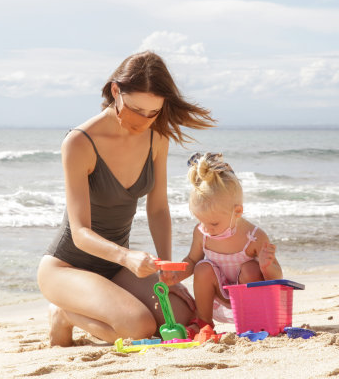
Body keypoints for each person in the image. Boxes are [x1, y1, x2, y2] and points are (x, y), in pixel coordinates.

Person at [37, 51, 215, 346]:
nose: (143, 120)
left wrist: (165, 270)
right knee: (139, 327)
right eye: (136, 109)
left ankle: (101, 305)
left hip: (117, 268)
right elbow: (80, 233)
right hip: (66, 269)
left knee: (182, 316)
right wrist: (127, 256)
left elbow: (157, 208)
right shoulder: (80, 142)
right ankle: (64, 314)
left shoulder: (157, 137)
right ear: (115, 91)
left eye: (153, 112)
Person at [160, 152, 283, 335]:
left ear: (238, 211)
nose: (207, 228)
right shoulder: (202, 233)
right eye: (201, 221)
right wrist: (176, 276)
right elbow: (192, 261)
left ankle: (253, 322)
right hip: (221, 292)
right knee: (202, 267)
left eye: (214, 223)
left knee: (251, 268)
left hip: (251, 296)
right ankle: (203, 322)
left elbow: (277, 279)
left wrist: (266, 266)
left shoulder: (254, 237)